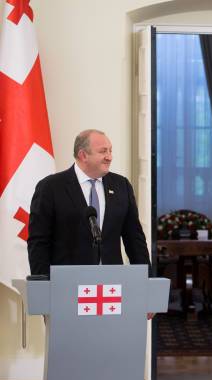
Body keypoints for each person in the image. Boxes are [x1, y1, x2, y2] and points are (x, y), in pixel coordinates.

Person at [27, 129, 153, 318]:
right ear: (83, 155)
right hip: (66, 291)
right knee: (71, 348)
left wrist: (147, 288)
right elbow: (38, 242)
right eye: (103, 151)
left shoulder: (121, 186)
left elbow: (135, 240)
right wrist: (43, 290)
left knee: (111, 346)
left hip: (112, 291)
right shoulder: (51, 187)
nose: (109, 157)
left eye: (110, 151)